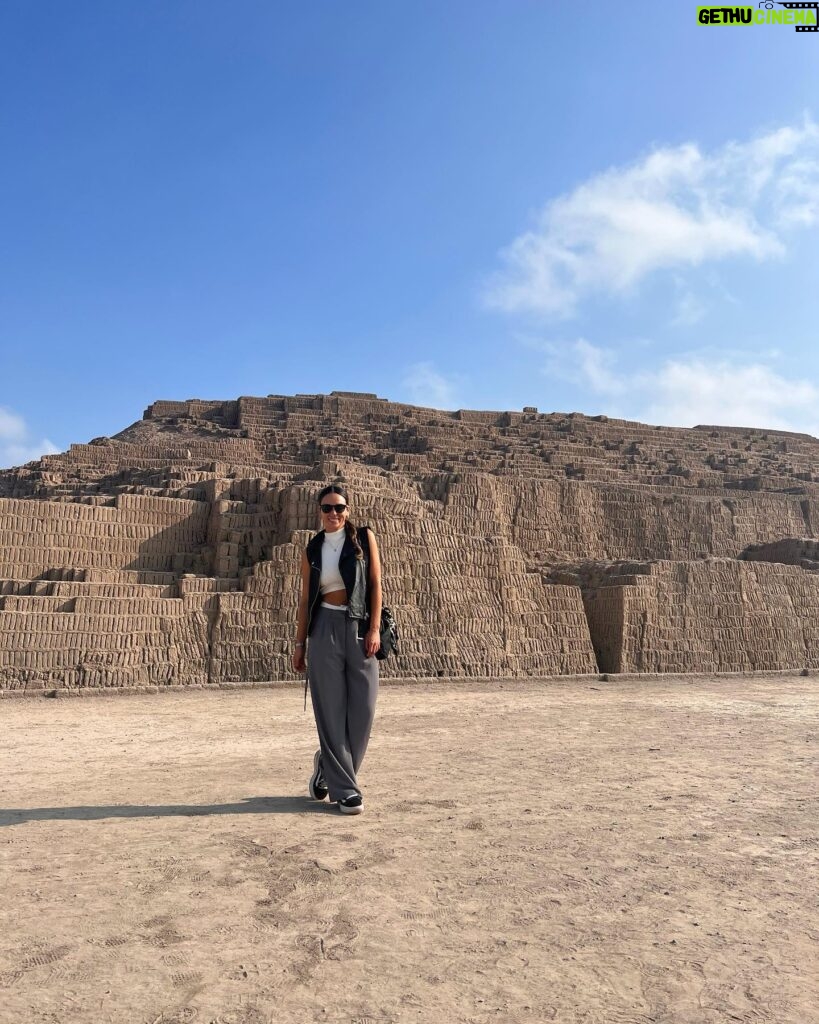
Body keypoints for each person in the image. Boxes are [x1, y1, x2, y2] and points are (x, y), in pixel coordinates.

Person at [292, 484, 382, 815]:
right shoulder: (312, 549)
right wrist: (300, 643)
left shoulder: (363, 539)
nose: (334, 514)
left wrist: (373, 628)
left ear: (348, 510)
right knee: (330, 712)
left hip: (358, 627)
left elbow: (375, 584)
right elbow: (305, 599)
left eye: (340, 508)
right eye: (328, 508)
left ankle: (328, 769)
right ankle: (346, 791)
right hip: (323, 628)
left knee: (363, 709)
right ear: (319, 511)